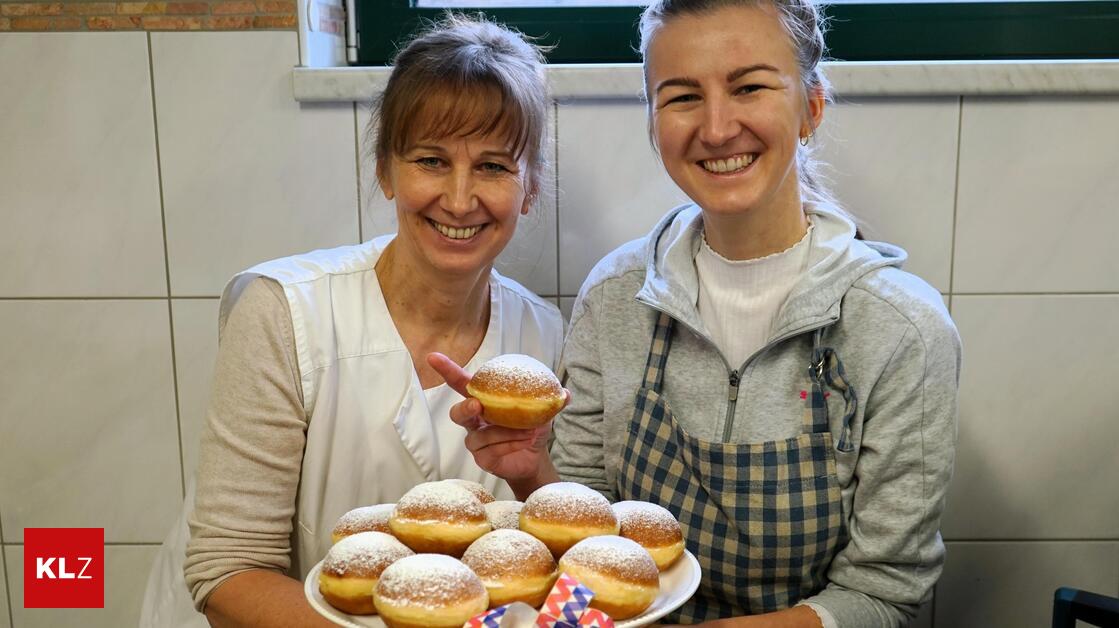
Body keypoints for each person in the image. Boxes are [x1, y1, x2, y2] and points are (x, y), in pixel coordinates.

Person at [430, 1, 961, 626]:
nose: (715, 128)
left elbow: (883, 594)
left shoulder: (900, 329)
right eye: (682, 97)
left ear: (811, 107)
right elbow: (585, 529)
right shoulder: (615, 296)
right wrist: (530, 473)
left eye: (749, 87)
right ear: (654, 125)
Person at [140, 15, 563, 628]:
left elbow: (543, 552)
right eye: (430, 160)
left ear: (530, 188)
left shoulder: (543, 338)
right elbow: (227, 566)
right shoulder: (285, 311)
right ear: (385, 171)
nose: (460, 197)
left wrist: (535, 475)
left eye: (495, 166)